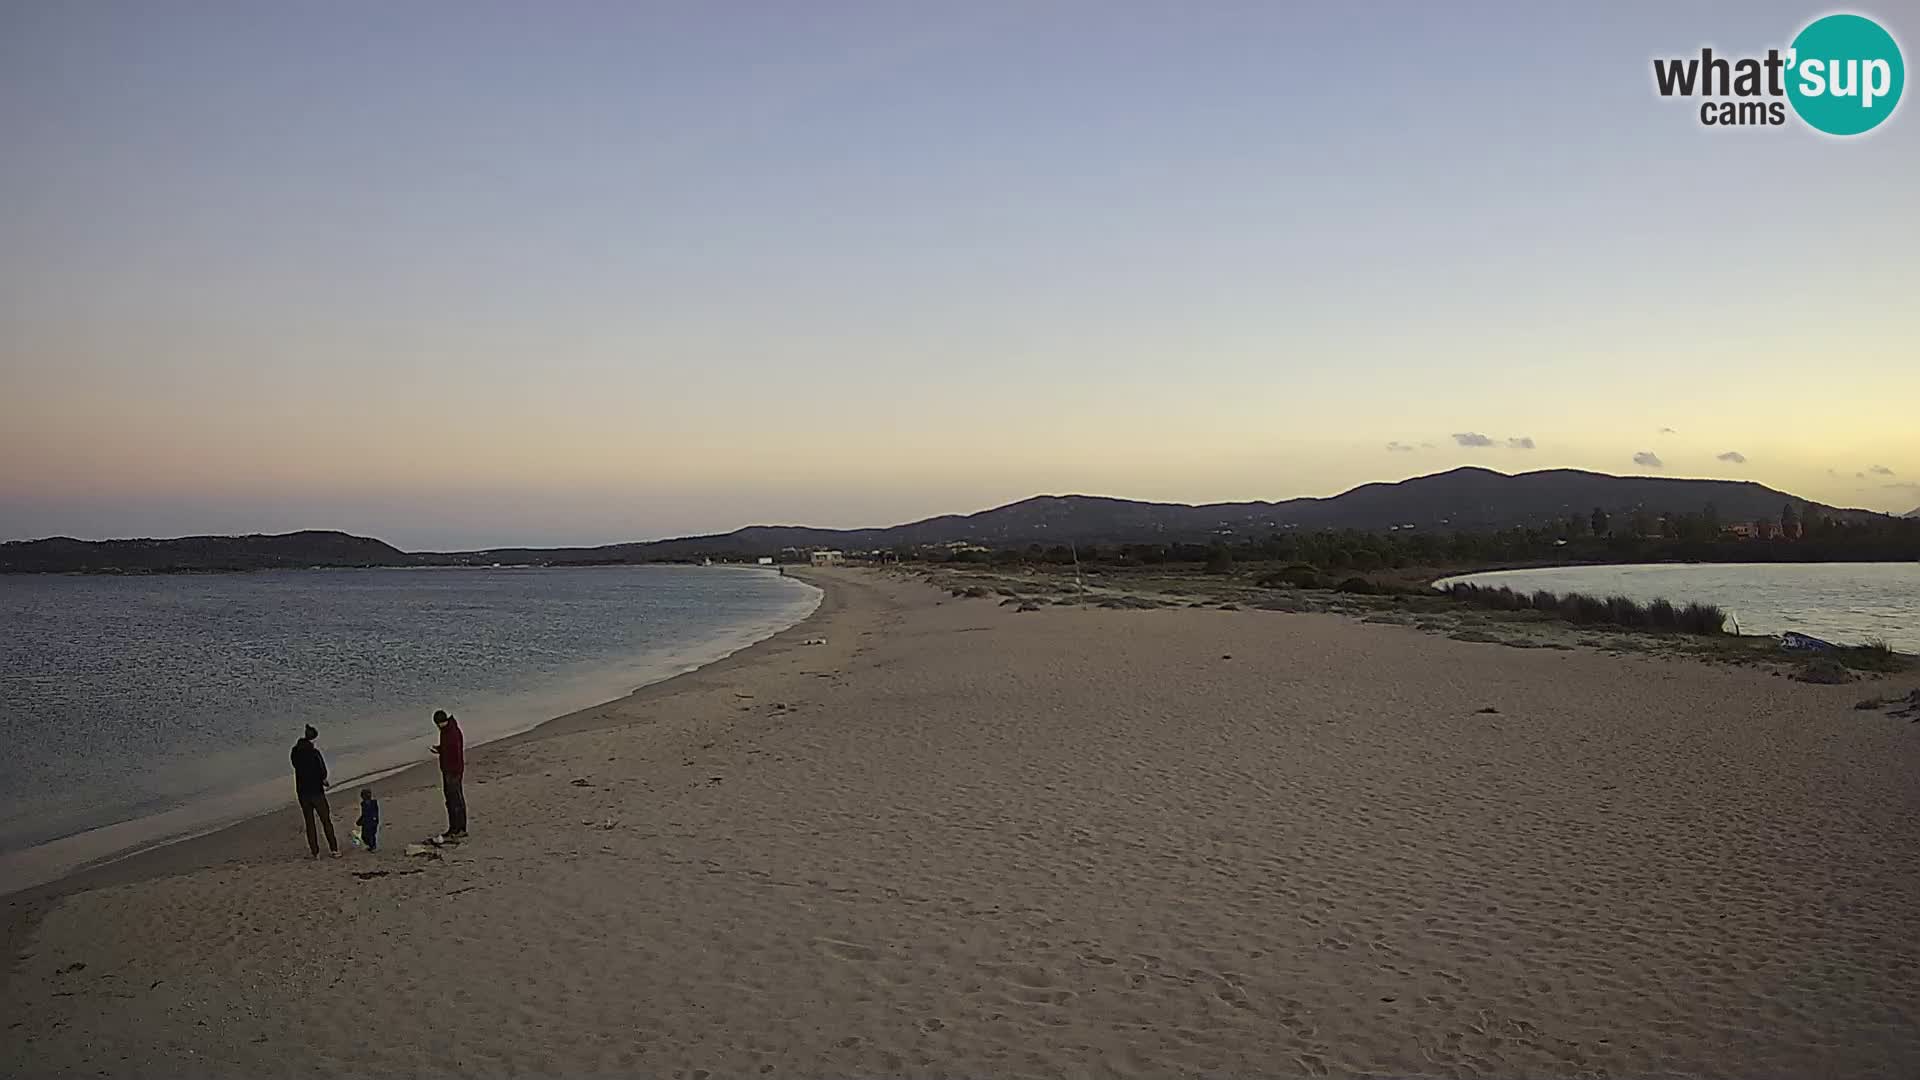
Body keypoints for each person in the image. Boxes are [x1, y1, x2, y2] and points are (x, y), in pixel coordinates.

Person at [289, 725, 340, 859]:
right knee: (325, 820)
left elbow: (295, 765)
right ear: (313, 738)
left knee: (309, 822)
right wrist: (323, 779)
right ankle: (334, 849)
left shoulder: (295, 752)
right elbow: (322, 771)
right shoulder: (314, 753)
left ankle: (315, 852)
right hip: (316, 791)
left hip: (302, 792)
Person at [430, 710, 467, 839]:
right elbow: (448, 748)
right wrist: (440, 749)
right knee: (453, 799)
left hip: (453, 771)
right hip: (450, 769)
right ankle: (456, 828)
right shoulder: (448, 730)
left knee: (454, 799)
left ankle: (458, 829)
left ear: (439, 723)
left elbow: (455, 751)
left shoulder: (451, 732)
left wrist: (454, 771)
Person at [356, 787, 380, 852]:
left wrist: (375, 820)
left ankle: (373, 846)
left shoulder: (374, 803)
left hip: (372, 821)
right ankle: (371, 845)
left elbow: (375, 812)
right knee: (364, 836)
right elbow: (363, 814)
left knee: (371, 835)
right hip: (366, 822)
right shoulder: (363, 804)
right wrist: (359, 821)